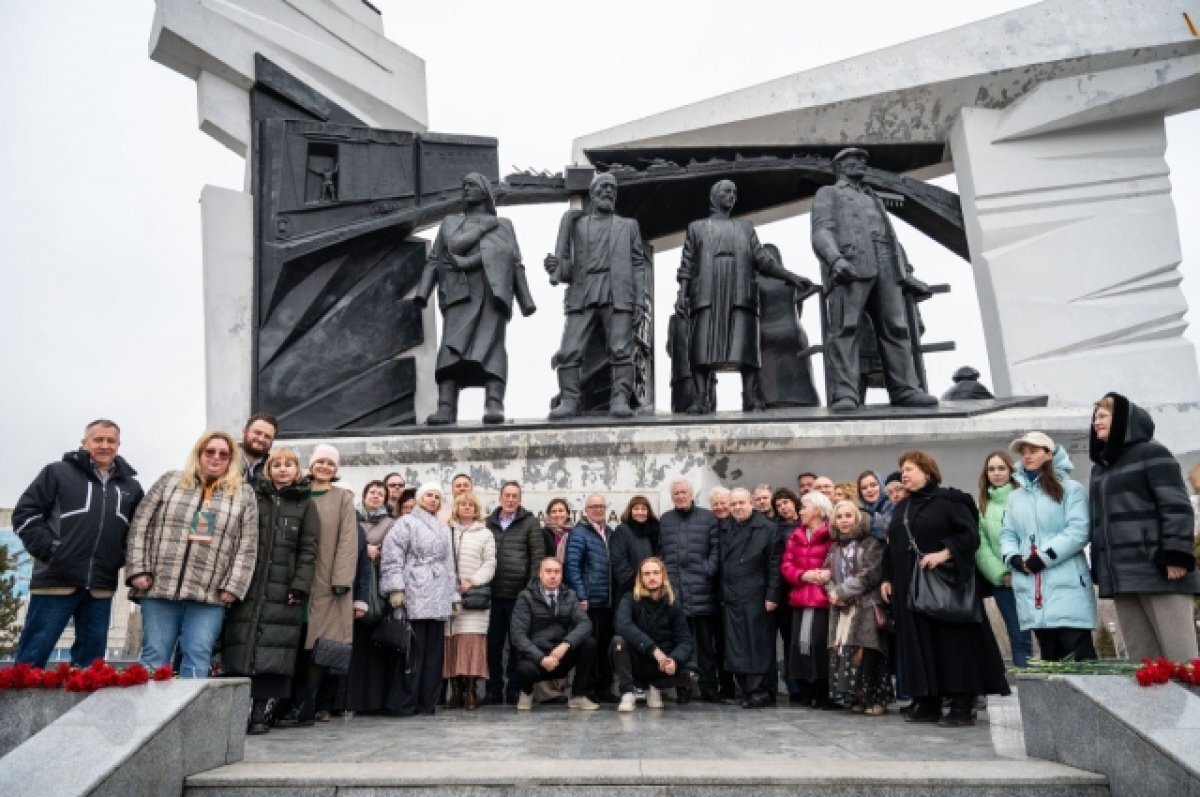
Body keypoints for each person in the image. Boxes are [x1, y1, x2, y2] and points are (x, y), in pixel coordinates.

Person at [880, 451, 1010, 727]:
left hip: (943, 586)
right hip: (908, 589)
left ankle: (963, 704)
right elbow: (891, 548)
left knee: (951, 646)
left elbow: (970, 535)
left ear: (928, 472)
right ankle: (928, 701)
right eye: (902, 469)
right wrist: (887, 578)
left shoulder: (950, 500)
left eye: (911, 469)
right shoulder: (902, 507)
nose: (904, 474)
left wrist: (944, 553)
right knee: (917, 645)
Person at [810, 147, 938, 411]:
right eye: (853, 160)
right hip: (852, 265)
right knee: (845, 329)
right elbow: (822, 229)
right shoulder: (829, 194)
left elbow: (890, 237)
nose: (861, 163)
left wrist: (904, 273)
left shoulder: (873, 197)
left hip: (886, 265)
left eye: (863, 160)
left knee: (896, 327)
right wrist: (835, 259)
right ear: (840, 167)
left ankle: (905, 389)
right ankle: (845, 393)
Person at [13, 419, 145, 668]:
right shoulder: (57, 472)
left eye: (110, 441)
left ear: (119, 444)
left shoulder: (131, 487)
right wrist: (50, 550)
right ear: (84, 443)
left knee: (90, 668)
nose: (104, 445)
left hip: (101, 587)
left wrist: (118, 558)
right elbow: (25, 513)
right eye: (98, 440)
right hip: (55, 581)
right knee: (30, 662)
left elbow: (138, 532)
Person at [126, 431, 258, 677]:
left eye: (224, 454)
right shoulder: (169, 481)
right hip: (159, 587)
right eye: (210, 452)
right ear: (198, 453)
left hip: (208, 595)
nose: (216, 458)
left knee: (198, 656)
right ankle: (151, 715)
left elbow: (247, 545)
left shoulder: (244, 494)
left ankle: (190, 716)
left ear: (231, 460)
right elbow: (140, 525)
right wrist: (138, 569)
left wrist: (233, 585)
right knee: (153, 658)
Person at [675, 180, 811, 414]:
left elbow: (764, 261)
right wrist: (681, 294)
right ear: (714, 196)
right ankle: (701, 398)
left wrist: (791, 276)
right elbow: (686, 265)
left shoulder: (746, 228)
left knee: (745, 347)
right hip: (707, 292)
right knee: (701, 346)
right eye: (727, 191)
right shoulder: (696, 228)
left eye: (735, 192)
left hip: (738, 291)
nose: (732, 196)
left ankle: (750, 396)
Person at [414, 172, 536, 425]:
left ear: (484, 191)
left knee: (492, 347)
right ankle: (446, 407)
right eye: (463, 185)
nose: (465, 189)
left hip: (492, 294)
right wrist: (422, 293)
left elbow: (515, 263)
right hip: (459, 292)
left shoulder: (503, 224)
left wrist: (526, 301)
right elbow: (435, 259)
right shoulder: (449, 223)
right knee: (450, 348)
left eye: (471, 185)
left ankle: (494, 404)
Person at [1089, 393, 1199, 661]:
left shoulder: (1153, 453)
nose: (1096, 422)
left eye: (1103, 416)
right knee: (1144, 663)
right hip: (1122, 576)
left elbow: (1176, 507)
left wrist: (1175, 555)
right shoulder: (1099, 469)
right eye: (1095, 417)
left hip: (1160, 571)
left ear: (1123, 420)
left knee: (1181, 659)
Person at [223, 447, 319, 733]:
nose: (283, 469)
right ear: (269, 469)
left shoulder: (305, 504)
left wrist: (299, 586)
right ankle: (239, 710)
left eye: (289, 464)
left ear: (297, 470)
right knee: (242, 643)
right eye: (277, 464)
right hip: (250, 585)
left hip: (283, 587)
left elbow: (308, 549)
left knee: (275, 649)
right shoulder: (253, 496)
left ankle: (262, 712)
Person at [545, 172, 649, 419]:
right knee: (570, 348)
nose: (608, 191)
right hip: (584, 291)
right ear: (592, 193)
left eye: (613, 188)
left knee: (621, 349)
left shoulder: (628, 226)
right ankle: (569, 400)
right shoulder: (577, 225)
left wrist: (639, 301)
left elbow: (638, 264)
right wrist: (556, 267)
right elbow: (570, 269)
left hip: (618, 291)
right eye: (603, 187)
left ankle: (620, 399)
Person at [277, 444, 357, 726]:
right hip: (294, 576)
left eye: (330, 463)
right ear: (310, 464)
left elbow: (348, 541)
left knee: (319, 646)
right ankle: (283, 703)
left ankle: (307, 704)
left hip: (327, 580)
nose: (324, 467)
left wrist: (341, 579)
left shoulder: (342, 498)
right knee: (294, 642)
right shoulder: (297, 492)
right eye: (320, 461)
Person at [1000, 433, 1097, 661]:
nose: (1026, 456)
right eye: (1023, 453)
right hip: (1033, 589)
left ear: (1049, 454)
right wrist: (1013, 558)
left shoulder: (1071, 489)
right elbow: (1008, 534)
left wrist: (1042, 557)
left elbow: (1078, 531)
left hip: (1067, 584)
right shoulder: (1015, 497)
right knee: (1050, 659)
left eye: (1032, 451)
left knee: (1079, 657)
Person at [380, 483, 460, 716]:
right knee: (412, 651)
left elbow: (449, 563)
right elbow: (392, 556)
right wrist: (395, 588)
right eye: (429, 495)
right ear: (419, 498)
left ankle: (427, 701)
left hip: (438, 593)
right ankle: (404, 702)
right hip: (414, 589)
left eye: (437, 496)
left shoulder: (443, 528)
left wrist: (453, 594)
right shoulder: (405, 522)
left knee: (433, 653)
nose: (433, 499)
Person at [659, 480, 723, 702]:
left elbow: (716, 547)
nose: (680, 496)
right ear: (671, 496)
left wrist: (709, 569)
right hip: (675, 592)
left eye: (683, 492)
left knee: (706, 647)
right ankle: (682, 689)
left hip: (703, 590)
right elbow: (660, 551)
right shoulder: (665, 520)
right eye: (676, 493)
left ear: (691, 494)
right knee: (680, 645)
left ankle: (709, 689)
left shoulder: (707, 518)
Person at [824, 500, 890, 715]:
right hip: (842, 609)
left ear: (856, 518)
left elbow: (871, 574)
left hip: (866, 606)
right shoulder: (834, 547)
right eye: (839, 517)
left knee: (869, 653)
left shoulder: (870, 543)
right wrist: (833, 593)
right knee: (847, 655)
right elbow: (826, 574)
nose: (844, 521)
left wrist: (842, 591)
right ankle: (857, 697)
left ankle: (875, 699)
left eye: (848, 516)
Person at [483, 481, 545, 705]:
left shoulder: (529, 522)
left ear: (520, 499)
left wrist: (530, 590)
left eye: (515, 496)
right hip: (493, 595)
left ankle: (514, 689)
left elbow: (537, 557)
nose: (511, 500)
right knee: (493, 645)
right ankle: (493, 689)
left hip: (519, 596)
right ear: (500, 498)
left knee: (517, 645)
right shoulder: (488, 523)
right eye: (507, 495)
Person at [719, 488, 781, 708]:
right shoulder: (725, 528)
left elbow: (774, 565)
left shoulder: (768, 528)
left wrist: (773, 594)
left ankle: (760, 691)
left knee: (758, 644)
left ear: (751, 504)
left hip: (757, 595)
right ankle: (746, 689)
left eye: (741, 503)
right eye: (733, 503)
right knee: (737, 645)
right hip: (732, 597)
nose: (737, 507)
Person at [510, 557, 598, 711]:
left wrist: (566, 644)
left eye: (557, 572)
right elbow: (518, 635)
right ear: (540, 573)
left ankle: (578, 695)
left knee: (589, 643)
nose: (553, 576)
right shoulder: (526, 597)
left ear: (562, 575)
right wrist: (541, 658)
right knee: (525, 670)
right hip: (536, 658)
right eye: (548, 571)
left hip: (560, 655)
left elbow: (585, 623)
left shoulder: (569, 595)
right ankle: (527, 692)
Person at [613, 557, 696, 711]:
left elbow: (685, 640)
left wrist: (674, 660)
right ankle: (628, 692)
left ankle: (653, 687)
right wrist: (653, 650)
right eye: (647, 574)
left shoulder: (672, 603)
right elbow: (622, 625)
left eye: (656, 573)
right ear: (641, 578)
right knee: (618, 642)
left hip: (662, 663)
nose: (652, 577)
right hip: (637, 659)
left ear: (663, 576)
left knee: (690, 671)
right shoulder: (630, 599)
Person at [973, 451, 1032, 668]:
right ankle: (1030, 695)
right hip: (1005, 582)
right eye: (991, 469)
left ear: (1011, 471)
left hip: (1035, 574)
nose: (996, 473)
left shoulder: (1026, 496)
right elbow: (982, 546)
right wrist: (1001, 574)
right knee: (1019, 638)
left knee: (1048, 634)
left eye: (1001, 468)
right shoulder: (983, 506)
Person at [780, 491, 835, 709]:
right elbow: (786, 565)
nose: (800, 511)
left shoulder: (832, 533)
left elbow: (839, 561)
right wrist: (803, 575)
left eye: (804, 507)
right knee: (801, 646)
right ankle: (807, 692)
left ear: (818, 511)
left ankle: (825, 694)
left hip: (825, 598)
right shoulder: (796, 535)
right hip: (802, 597)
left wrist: (826, 574)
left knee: (821, 646)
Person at [347, 480, 398, 715]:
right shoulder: (350, 517)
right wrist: (365, 548)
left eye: (381, 494)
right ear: (364, 495)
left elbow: (392, 552)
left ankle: (371, 700)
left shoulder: (390, 524)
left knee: (371, 646)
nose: (376, 496)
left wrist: (372, 553)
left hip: (374, 588)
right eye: (372, 492)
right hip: (349, 584)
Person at [445, 491, 496, 711]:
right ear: (456, 508)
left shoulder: (485, 533)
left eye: (471, 505)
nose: (467, 508)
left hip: (474, 598)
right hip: (448, 596)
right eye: (462, 505)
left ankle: (471, 690)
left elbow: (490, 563)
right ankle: (455, 692)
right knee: (451, 642)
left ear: (476, 510)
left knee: (471, 643)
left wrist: (472, 581)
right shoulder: (447, 531)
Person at [565, 493, 618, 702]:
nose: (598, 509)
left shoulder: (610, 533)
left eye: (601, 506)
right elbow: (572, 566)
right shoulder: (579, 533)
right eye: (593, 506)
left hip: (607, 601)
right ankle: (588, 689)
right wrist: (581, 594)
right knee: (591, 646)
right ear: (586, 510)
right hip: (589, 601)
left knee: (606, 646)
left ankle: (604, 688)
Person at [770, 488, 803, 703]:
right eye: (779, 505)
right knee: (789, 639)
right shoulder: (774, 530)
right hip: (782, 592)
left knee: (799, 641)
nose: (783, 507)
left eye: (786, 502)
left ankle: (802, 684)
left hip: (802, 588)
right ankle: (793, 687)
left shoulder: (805, 525)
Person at [609, 496, 661, 599]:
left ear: (648, 511)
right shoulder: (623, 530)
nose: (640, 512)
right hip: (629, 589)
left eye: (644, 509)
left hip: (654, 588)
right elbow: (618, 561)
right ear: (630, 511)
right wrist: (639, 582)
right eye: (636, 508)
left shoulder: (655, 531)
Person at [239, 413, 278, 485]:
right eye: (257, 433)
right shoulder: (226, 459)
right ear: (244, 432)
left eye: (267, 436)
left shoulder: (275, 467)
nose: (261, 439)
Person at [857, 471, 892, 543]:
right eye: (864, 488)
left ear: (882, 486)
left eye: (873, 485)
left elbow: (887, 532)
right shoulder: (859, 513)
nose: (869, 490)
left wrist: (873, 515)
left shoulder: (894, 506)